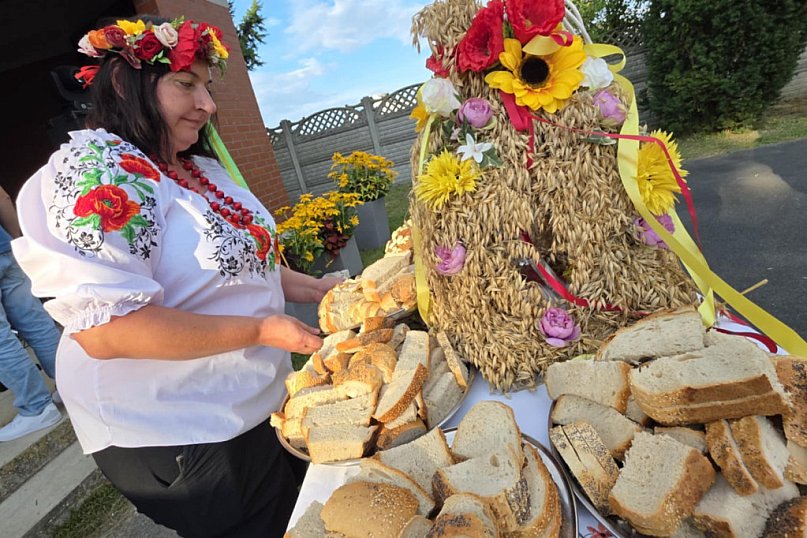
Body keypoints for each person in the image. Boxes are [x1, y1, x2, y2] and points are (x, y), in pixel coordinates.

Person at [12, 16, 337, 537]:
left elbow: (246, 264)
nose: (207, 105)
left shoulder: (195, 167)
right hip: (177, 428)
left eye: (207, 88)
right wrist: (261, 331)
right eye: (186, 85)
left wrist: (315, 289)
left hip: (250, 400)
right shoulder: (99, 170)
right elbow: (108, 330)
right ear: (124, 82)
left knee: (307, 515)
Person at [0, 186, 62, 442]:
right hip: (4, 246)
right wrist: (17, 239)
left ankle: (37, 406)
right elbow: (2, 197)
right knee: (35, 321)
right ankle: (72, 386)